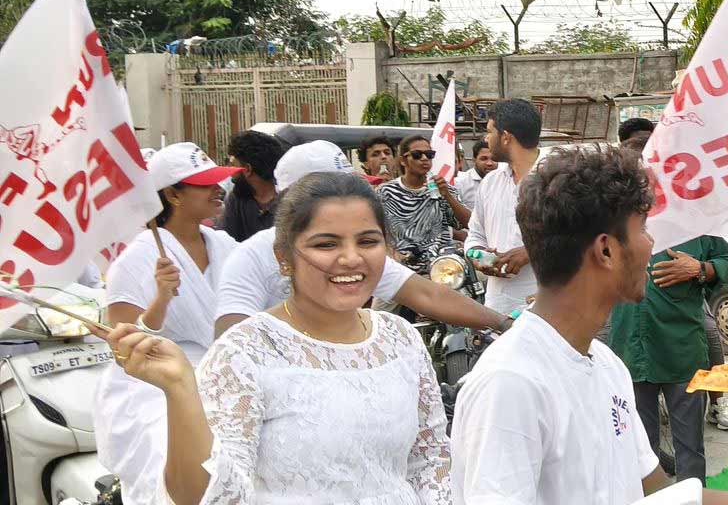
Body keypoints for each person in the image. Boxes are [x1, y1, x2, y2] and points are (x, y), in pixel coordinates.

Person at [451, 145, 728, 505]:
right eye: (642, 228)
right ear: (606, 251)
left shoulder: (606, 364)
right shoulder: (511, 383)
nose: (651, 242)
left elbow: (659, 493)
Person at [105, 171, 451, 504]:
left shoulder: (399, 337)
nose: (350, 259)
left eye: (368, 241)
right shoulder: (244, 352)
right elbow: (206, 496)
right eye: (326, 244)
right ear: (284, 259)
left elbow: (430, 460)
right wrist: (179, 390)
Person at [214, 140, 511, 339]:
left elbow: (428, 295)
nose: (348, 259)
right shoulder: (250, 257)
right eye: (324, 245)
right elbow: (231, 334)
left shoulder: (359, 256)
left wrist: (504, 324)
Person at [94, 142, 242, 504]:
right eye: (205, 184)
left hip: (230, 369)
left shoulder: (227, 246)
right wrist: (161, 299)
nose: (218, 189)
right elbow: (125, 350)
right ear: (173, 194)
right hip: (156, 382)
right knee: (178, 454)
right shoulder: (135, 259)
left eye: (218, 180)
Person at [609, 135, 728, 483]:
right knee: (639, 449)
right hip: (629, 353)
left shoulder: (691, 220)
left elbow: (726, 258)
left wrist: (700, 269)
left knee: (690, 447)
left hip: (680, 350)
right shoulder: (609, 223)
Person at [464, 99, 543, 316]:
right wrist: (478, 256)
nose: (486, 139)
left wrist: (532, 252)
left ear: (506, 137)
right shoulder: (490, 182)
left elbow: (582, 238)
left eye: (490, 132)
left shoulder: (557, 179)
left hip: (549, 307)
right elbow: (475, 234)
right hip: (498, 308)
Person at [380, 135, 469, 271]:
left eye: (429, 154)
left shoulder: (443, 188)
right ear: (403, 161)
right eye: (417, 155)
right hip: (401, 269)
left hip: (442, 269)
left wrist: (448, 196)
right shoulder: (386, 192)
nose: (424, 158)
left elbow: (468, 223)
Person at [216, 130, 286, 242]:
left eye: (233, 165)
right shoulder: (236, 199)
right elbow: (224, 243)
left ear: (247, 169)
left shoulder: (289, 203)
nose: (230, 174)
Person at [454, 139, 497, 210]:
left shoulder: (505, 181)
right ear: (474, 159)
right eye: (484, 159)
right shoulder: (460, 183)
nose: (489, 163)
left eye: (494, 159)